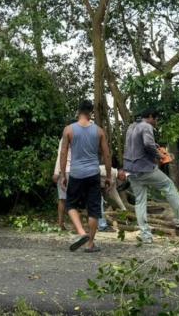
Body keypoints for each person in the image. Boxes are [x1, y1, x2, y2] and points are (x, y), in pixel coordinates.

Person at [123, 108, 179, 243]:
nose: (157, 122)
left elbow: (140, 145)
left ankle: (145, 235)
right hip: (144, 168)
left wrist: (157, 148)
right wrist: (161, 156)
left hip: (130, 169)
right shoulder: (146, 126)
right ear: (150, 117)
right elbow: (148, 144)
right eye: (156, 119)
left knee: (140, 200)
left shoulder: (132, 126)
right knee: (168, 185)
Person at [59, 99, 113, 252]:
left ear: (78, 111)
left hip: (76, 174)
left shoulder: (69, 130)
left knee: (70, 204)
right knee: (94, 208)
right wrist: (108, 176)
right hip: (93, 174)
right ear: (91, 113)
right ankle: (90, 244)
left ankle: (82, 233)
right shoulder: (99, 131)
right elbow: (107, 155)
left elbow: (63, 153)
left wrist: (63, 174)